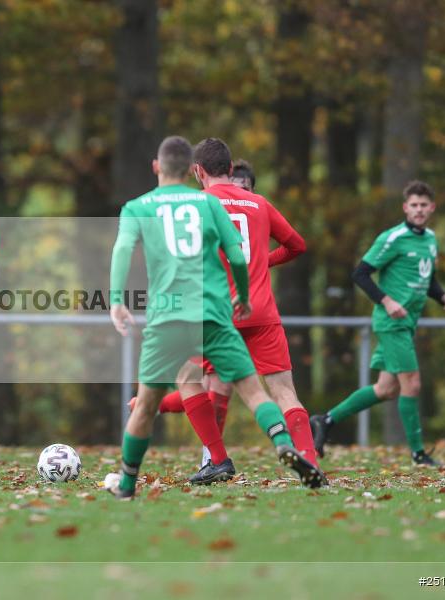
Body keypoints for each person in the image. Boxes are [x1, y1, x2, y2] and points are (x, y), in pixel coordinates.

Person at [105, 136, 324, 500]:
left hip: (170, 316)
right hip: (224, 311)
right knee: (256, 391)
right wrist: (243, 293)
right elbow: (239, 255)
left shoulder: (139, 207)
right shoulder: (210, 205)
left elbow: (123, 248)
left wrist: (116, 300)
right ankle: (287, 446)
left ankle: (129, 483)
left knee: (152, 402)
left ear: (159, 167)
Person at [311, 181, 445, 466]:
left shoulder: (430, 239)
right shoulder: (392, 238)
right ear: (405, 208)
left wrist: (443, 297)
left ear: (432, 208)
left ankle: (325, 420)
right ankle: (418, 453)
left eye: (423, 205)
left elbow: (428, 279)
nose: (418, 210)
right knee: (412, 384)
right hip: (391, 324)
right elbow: (361, 274)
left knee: (386, 389)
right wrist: (387, 301)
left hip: (408, 323)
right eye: (413, 205)